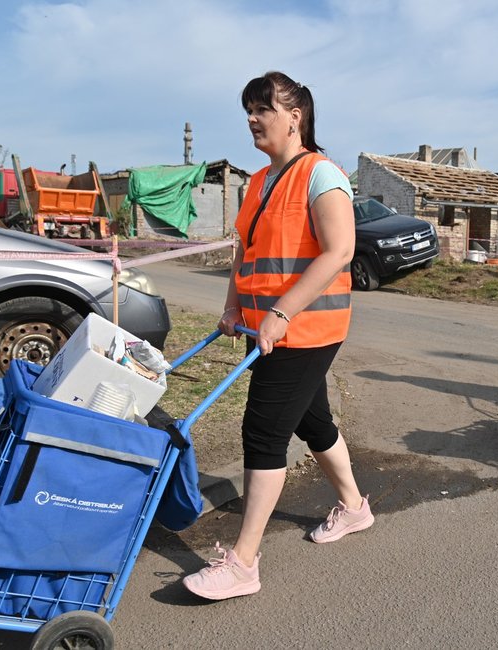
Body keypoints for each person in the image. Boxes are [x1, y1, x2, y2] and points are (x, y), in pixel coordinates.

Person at [182, 71, 373, 601]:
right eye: (248, 109)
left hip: (307, 329)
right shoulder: (260, 181)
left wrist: (283, 312)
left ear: (296, 115)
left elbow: (339, 251)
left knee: (263, 433)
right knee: (313, 421)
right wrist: (231, 306)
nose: (252, 118)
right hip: (262, 327)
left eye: (262, 108)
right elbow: (245, 249)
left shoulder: (322, 175)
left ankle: (243, 563)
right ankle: (356, 508)